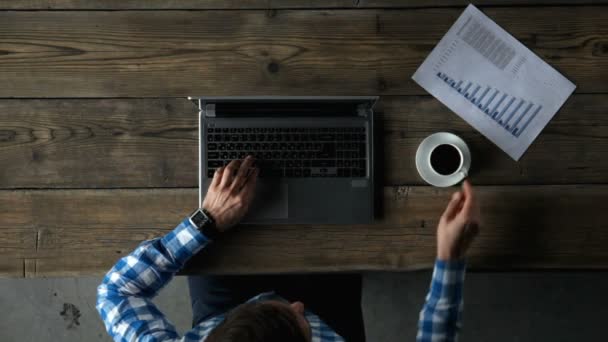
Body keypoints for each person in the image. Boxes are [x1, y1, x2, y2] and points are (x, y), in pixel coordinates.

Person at [96, 155, 479, 342]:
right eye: (298, 319)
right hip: (333, 320)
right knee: (348, 221)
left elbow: (115, 291)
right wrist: (450, 259)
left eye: (282, 308)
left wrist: (207, 221)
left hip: (226, 303)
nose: (298, 304)